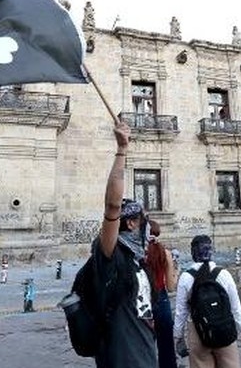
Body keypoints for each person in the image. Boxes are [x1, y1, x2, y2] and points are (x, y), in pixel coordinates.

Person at [92, 121, 157, 368]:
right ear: (130, 224)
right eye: (144, 221)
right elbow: (112, 208)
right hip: (122, 356)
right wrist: (122, 149)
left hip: (144, 349)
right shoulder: (111, 252)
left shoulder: (137, 257)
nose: (148, 227)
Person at [174, 234, 241, 368]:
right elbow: (236, 308)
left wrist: (178, 337)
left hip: (198, 331)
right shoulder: (224, 274)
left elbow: (181, 312)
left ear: (193, 252)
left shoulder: (186, 277)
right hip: (224, 329)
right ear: (210, 251)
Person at [146, 219, 178, 368]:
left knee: (143, 344)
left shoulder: (138, 253)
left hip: (142, 302)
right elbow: (171, 287)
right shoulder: (165, 253)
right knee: (166, 345)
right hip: (161, 298)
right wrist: (176, 274)